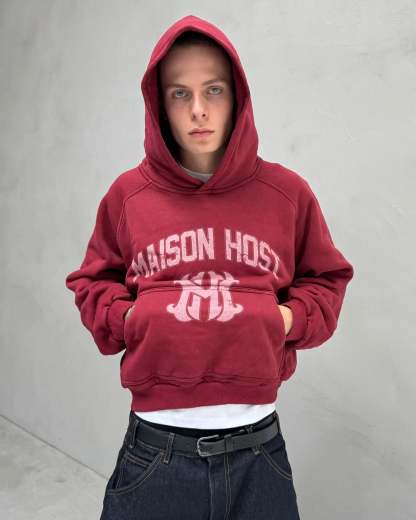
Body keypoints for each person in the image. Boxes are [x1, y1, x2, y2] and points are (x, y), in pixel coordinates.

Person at [65, 14, 354, 520]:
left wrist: (283, 320)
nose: (198, 109)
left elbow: (326, 279)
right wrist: (129, 319)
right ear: (159, 104)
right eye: (180, 94)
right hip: (156, 452)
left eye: (213, 90)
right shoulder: (128, 195)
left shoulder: (287, 194)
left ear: (238, 97)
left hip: (259, 453)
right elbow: (93, 280)